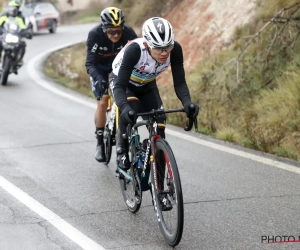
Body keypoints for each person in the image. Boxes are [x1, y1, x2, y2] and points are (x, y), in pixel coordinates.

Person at [110, 17, 199, 171]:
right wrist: (124, 107)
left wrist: (187, 103)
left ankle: (161, 190)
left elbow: (179, 83)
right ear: (146, 44)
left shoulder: (175, 50)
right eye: (158, 48)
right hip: (123, 83)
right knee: (132, 107)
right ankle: (122, 149)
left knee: (159, 123)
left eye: (167, 46)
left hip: (146, 84)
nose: (164, 53)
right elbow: (119, 87)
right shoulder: (135, 50)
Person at [85, 7, 137, 163]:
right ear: (103, 28)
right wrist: (98, 78)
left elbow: (139, 56)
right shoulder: (95, 35)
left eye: (118, 31)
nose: (115, 35)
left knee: (126, 99)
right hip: (100, 69)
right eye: (111, 31)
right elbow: (90, 63)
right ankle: (100, 143)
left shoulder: (129, 34)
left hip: (121, 68)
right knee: (103, 101)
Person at [0, 0, 30, 65]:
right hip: (5, 35)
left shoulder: (20, 17)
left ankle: (18, 60)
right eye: (11, 7)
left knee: (22, 44)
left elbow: (23, 27)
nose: (12, 10)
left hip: (15, 35)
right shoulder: (4, 15)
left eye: (15, 7)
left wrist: (27, 33)